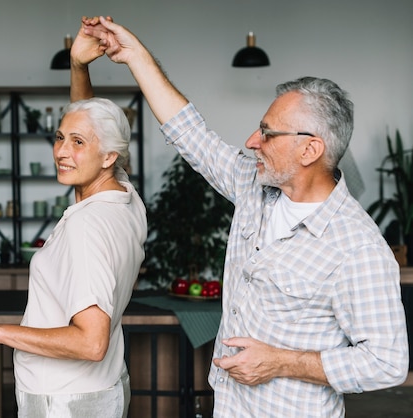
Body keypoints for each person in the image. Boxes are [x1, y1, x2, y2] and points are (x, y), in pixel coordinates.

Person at [70, 16, 409, 417]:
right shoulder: (254, 185)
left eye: (268, 133)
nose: (252, 141)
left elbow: (387, 361)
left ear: (310, 150)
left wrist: (282, 361)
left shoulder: (357, 246)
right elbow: (189, 132)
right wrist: (134, 56)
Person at [0, 97, 147, 418]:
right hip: (102, 388)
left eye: (77, 142)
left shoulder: (85, 225)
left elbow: (91, 343)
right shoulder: (127, 199)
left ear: (109, 156)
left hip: (63, 400)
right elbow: (89, 118)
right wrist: (78, 64)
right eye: (60, 137)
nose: (61, 151)